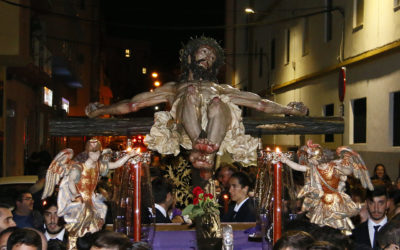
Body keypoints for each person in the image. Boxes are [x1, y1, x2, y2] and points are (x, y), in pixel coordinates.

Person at [85, 36, 307, 169]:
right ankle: (200, 144)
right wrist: (101, 110)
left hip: (216, 130)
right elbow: (133, 105)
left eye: (212, 57)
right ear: (190, 57)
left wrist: (290, 110)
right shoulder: (174, 88)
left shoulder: (220, 88)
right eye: (204, 53)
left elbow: (260, 104)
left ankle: (207, 148)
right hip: (187, 131)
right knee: (190, 94)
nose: (208, 59)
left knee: (219, 102)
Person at [42, 138, 139, 249]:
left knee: (96, 225)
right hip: (81, 201)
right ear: (87, 152)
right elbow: (70, 182)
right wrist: (76, 196)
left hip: (92, 201)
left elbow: (116, 164)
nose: (95, 155)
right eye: (92, 152)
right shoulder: (79, 167)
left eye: (97, 152)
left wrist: (129, 155)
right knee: (77, 230)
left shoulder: (98, 166)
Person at [280, 140, 374, 231]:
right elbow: (299, 167)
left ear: (319, 157)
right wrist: (286, 161)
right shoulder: (314, 168)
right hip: (322, 201)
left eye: (312, 158)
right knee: (320, 226)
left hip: (335, 201)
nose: (310, 161)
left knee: (337, 225)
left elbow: (348, 171)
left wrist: (342, 168)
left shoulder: (333, 166)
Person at [352, 185, 390, 249]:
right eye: (372, 203)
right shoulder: (356, 232)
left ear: (387, 204)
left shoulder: (396, 230)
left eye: (381, 203)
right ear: (366, 204)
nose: (376, 208)